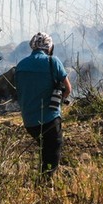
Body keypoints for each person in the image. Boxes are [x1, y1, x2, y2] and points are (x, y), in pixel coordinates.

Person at [15, 32, 72, 178]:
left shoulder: (21, 65)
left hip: (29, 120)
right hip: (49, 118)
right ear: (49, 47)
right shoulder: (52, 62)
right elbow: (68, 89)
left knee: (44, 148)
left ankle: (42, 180)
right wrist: (59, 99)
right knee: (53, 149)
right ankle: (46, 185)